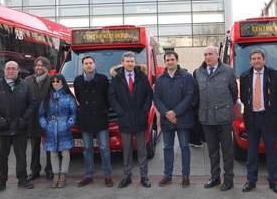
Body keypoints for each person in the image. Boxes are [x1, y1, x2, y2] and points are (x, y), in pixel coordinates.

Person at [0, 60, 37, 194]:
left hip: (20, 127)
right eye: (8, 68)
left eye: (13, 68)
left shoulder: (25, 85)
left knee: (21, 156)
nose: (11, 71)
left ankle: (23, 180)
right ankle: (1, 182)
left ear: (18, 70)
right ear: (4, 70)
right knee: (1, 157)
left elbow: (32, 103)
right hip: (3, 128)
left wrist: (24, 119)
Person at [239, 49, 277, 194]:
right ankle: (251, 181)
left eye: (258, 58)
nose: (256, 61)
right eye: (253, 59)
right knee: (252, 152)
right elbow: (243, 98)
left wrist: (271, 108)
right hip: (252, 119)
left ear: (264, 59)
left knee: (271, 151)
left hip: (269, 119)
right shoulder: (245, 76)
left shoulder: (276, 75)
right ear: (250, 61)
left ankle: (273, 182)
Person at [195, 45, 238, 191]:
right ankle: (214, 177)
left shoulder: (228, 71)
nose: (207, 57)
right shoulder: (198, 72)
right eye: (205, 54)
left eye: (210, 54)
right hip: (207, 118)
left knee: (227, 151)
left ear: (217, 55)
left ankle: (229, 179)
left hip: (224, 118)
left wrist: (224, 108)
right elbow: (197, 95)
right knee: (212, 151)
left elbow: (234, 93)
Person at [108, 51, 153, 188]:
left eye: (132, 61)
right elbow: (112, 97)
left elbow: (149, 95)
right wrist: (121, 112)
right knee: (126, 149)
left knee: (141, 149)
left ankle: (144, 177)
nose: (130, 63)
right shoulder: (116, 78)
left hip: (139, 118)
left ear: (135, 62)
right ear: (122, 62)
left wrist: (144, 111)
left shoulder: (142, 77)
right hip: (125, 118)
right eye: (127, 61)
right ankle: (126, 176)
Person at [153, 51, 195, 187]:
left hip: (183, 118)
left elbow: (189, 97)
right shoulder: (159, 79)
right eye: (167, 60)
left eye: (172, 59)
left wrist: (175, 112)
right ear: (165, 62)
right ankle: (167, 175)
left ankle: (185, 175)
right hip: (167, 120)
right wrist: (167, 113)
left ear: (177, 60)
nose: (170, 62)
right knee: (167, 148)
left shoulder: (187, 77)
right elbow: (157, 98)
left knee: (184, 147)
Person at [73, 55, 113, 187]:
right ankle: (88, 175)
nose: (89, 65)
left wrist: (102, 109)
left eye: (91, 63)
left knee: (104, 148)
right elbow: (79, 97)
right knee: (87, 148)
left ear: (95, 65)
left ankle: (107, 175)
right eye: (86, 63)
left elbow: (108, 98)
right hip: (85, 118)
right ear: (82, 66)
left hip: (100, 117)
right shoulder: (77, 80)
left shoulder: (103, 79)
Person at [39, 74, 77, 188]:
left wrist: (68, 124)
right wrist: (45, 125)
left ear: (62, 82)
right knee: (53, 153)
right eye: (53, 82)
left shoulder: (68, 97)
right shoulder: (46, 98)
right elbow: (41, 115)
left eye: (58, 81)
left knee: (65, 152)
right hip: (51, 129)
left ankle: (63, 175)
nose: (55, 83)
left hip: (64, 128)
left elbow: (73, 113)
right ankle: (56, 174)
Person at [25, 56, 53, 181]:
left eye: (41, 65)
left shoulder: (52, 80)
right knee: (34, 146)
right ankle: (34, 170)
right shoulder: (27, 80)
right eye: (37, 65)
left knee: (48, 146)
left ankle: (49, 170)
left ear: (46, 67)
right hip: (32, 118)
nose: (39, 67)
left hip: (48, 118)